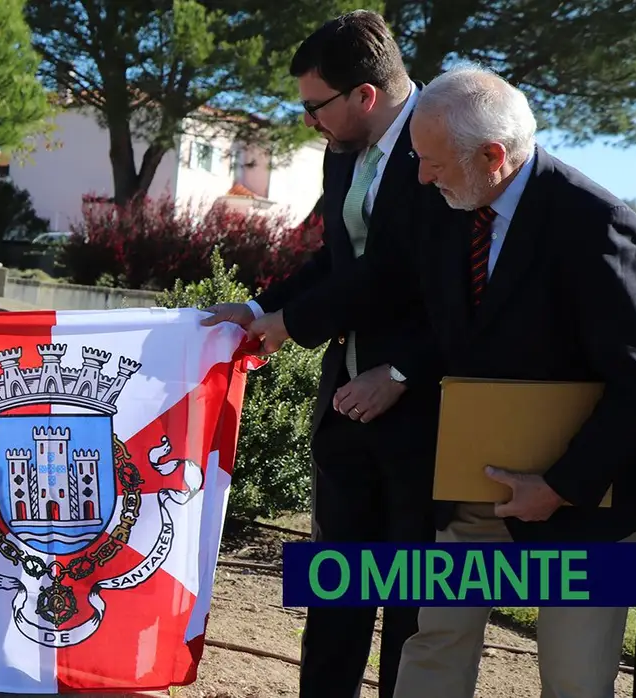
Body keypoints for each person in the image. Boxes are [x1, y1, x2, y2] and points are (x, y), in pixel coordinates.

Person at [259, 64, 636, 698]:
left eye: (434, 162)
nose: (421, 176)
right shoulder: (445, 207)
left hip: (586, 502)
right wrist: (275, 317)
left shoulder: (596, 223)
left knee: (575, 678)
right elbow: (378, 282)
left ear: (492, 156)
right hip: (475, 487)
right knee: (433, 647)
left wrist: (558, 486)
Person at [200, 12, 438, 698]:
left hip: (425, 412)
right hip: (345, 409)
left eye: (315, 107)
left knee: (414, 605)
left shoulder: (443, 138)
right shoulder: (344, 148)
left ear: (365, 95)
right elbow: (336, 262)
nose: (308, 123)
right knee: (337, 596)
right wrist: (258, 310)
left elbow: (420, 280)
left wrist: (296, 326)